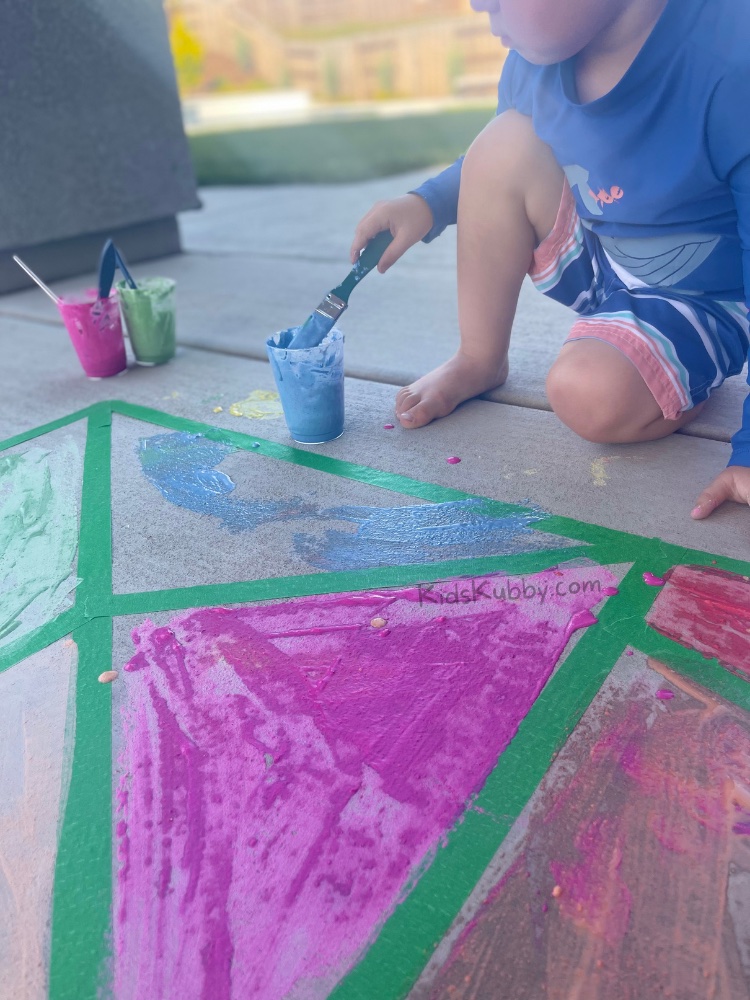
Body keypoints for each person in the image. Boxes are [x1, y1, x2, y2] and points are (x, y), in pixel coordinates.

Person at [349, 0, 750, 520]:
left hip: (707, 300)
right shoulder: (538, 59)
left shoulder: (730, 57)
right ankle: (479, 357)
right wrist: (427, 202)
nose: (478, 3)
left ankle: (684, 372)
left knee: (588, 395)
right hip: (605, 263)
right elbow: (492, 166)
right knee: (504, 142)